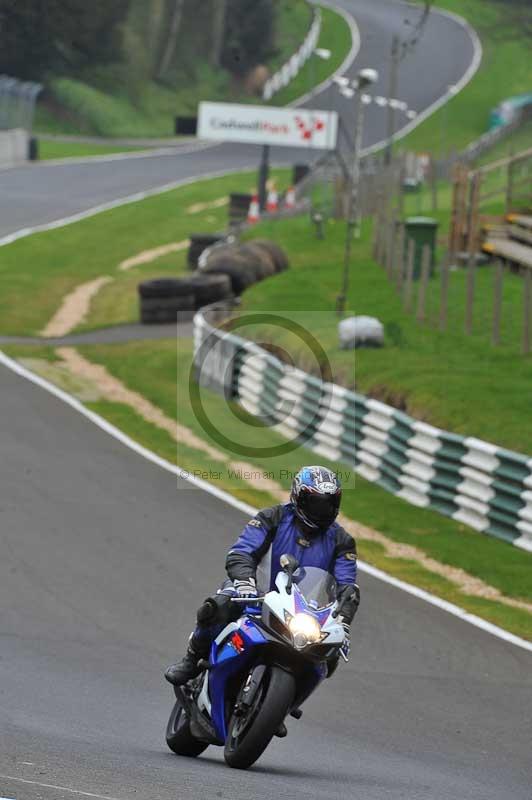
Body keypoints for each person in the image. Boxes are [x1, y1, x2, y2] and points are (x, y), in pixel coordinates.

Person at [165, 465, 360, 687]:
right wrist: (245, 583)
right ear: (299, 497)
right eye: (315, 502)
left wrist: (342, 620)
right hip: (255, 594)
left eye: (328, 504)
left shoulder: (342, 541)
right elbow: (242, 552)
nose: (321, 510)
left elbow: (347, 586)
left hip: (304, 614)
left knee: (330, 656)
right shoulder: (273, 517)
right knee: (218, 606)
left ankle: (284, 706)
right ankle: (192, 659)